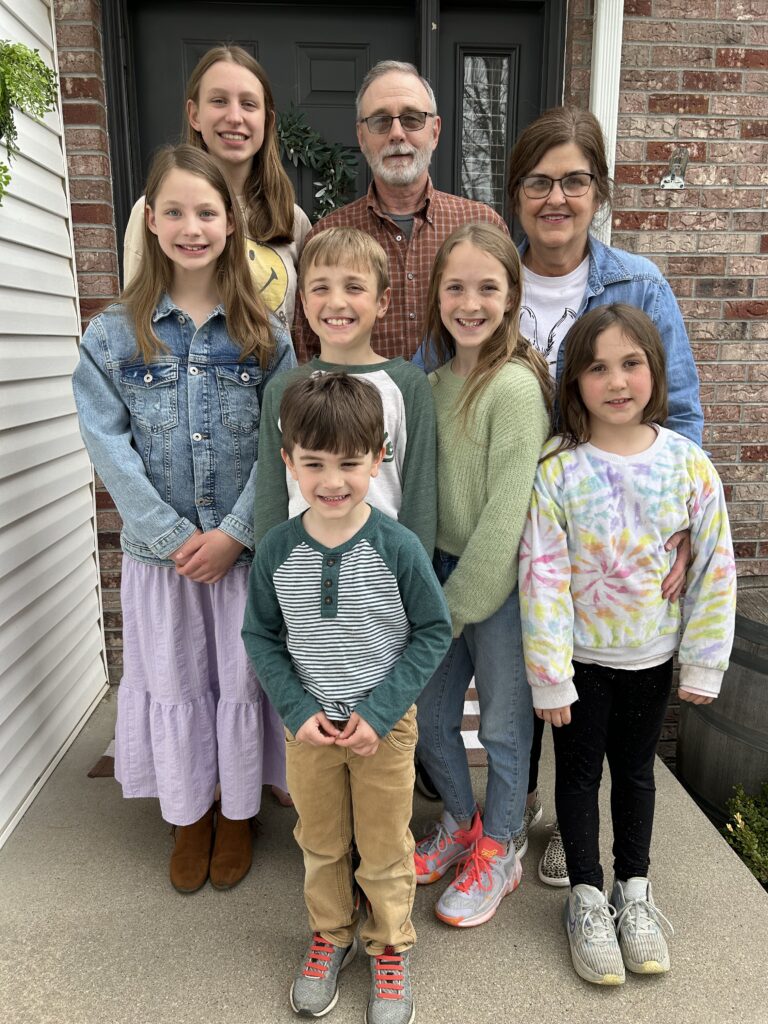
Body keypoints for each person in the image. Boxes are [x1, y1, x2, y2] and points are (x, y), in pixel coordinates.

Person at [72, 145, 296, 894]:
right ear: (151, 221)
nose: (191, 226)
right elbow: (108, 444)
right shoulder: (112, 335)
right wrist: (172, 539)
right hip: (160, 560)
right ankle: (189, 812)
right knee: (174, 680)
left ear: (231, 223)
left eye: (206, 212)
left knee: (239, 682)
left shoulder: (264, 334)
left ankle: (235, 813)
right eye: (174, 211)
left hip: (240, 554)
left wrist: (236, 531)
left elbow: (285, 441)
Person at [503, 106, 705, 887]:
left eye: (575, 180)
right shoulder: (493, 275)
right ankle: (511, 809)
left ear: (600, 191)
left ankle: (567, 821)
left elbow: (679, 414)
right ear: (516, 193)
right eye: (539, 182)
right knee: (529, 676)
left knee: (589, 689)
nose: (557, 197)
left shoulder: (637, 285)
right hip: (509, 519)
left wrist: (684, 533)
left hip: (605, 542)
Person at [519, 303, 735, 985]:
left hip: (651, 660)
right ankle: (585, 894)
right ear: (574, 383)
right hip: (582, 663)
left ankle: (632, 891)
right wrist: (550, 675)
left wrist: (703, 660)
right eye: (597, 367)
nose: (616, 381)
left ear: (655, 370)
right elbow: (543, 574)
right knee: (578, 779)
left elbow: (713, 567)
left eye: (631, 363)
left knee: (637, 777)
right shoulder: (557, 469)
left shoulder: (690, 466)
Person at [242, 372, 452, 1024]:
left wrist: (381, 712)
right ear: (288, 462)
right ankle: (330, 935)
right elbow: (261, 636)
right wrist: (297, 712)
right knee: (323, 842)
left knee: (387, 845)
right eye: (313, 464)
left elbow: (433, 630)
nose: (332, 480)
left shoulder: (399, 548)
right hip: (309, 731)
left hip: (382, 732)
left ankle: (389, 945)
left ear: (378, 457)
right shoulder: (276, 549)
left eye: (349, 463)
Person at [411, 224, 551, 928]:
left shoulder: (517, 388)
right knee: (430, 719)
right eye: (456, 287)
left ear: (512, 296)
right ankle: (461, 825)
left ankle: (500, 847)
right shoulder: (428, 386)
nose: (470, 302)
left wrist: (451, 606)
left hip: (496, 587)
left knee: (501, 726)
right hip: (436, 570)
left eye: (487, 287)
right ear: (437, 295)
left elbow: (504, 515)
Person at [293, 60, 508, 362]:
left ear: (435, 131)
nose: (396, 133)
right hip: (361, 408)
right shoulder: (327, 236)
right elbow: (308, 352)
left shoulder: (483, 225)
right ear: (361, 136)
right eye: (380, 121)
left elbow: (508, 336)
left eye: (411, 119)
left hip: (461, 407)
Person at [254, 226, 437, 555]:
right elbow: (270, 500)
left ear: (382, 301)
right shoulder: (283, 390)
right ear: (305, 303)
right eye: (321, 288)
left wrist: (415, 578)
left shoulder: (408, 386)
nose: (336, 302)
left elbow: (420, 499)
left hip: (384, 575)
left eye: (354, 287)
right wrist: (270, 580)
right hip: (303, 575)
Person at [124, 44, 311, 330]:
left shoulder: (291, 218)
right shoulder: (155, 212)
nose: (235, 117)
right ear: (195, 114)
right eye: (219, 101)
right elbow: (135, 321)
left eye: (249, 104)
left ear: (267, 120)